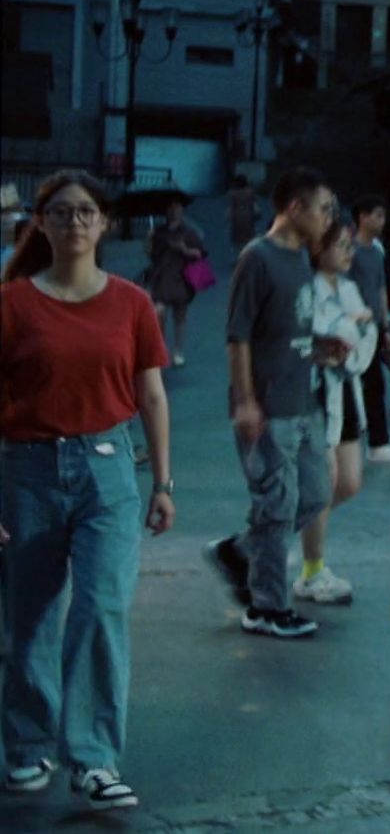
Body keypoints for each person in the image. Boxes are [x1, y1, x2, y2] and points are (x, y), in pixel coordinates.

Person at [1, 171, 175, 810]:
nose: (74, 222)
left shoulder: (131, 302)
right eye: (62, 212)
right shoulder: (13, 303)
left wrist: (163, 482)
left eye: (86, 213)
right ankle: (26, 746)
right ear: (40, 223)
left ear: (104, 224)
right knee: (31, 618)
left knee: (101, 607)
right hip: (27, 472)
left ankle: (94, 758)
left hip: (108, 470)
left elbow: (152, 395)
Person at [202, 167, 338, 640]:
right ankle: (267, 609)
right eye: (323, 208)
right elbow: (238, 336)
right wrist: (245, 402)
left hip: (304, 401)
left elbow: (287, 329)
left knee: (316, 494)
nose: (329, 218)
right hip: (269, 407)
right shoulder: (256, 259)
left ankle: (239, 551)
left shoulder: (301, 258)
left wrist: (320, 345)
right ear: (295, 208)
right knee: (277, 506)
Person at [294, 221, 378, 606]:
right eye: (341, 245)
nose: (349, 252)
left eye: (349, 245)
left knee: (349, 483)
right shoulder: (306, 288)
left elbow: (358, 347)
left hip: (346, 391)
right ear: (318, 250)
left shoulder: (348, 288)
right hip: (315, 395)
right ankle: (312, 571)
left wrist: (346, 335)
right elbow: (318, 338)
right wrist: (348, 327)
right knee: (323, 485)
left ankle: (262, 538)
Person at [350, 195, 390, 464]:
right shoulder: (348, 251)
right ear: (362, 217)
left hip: (375, 329)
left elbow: (381, 289)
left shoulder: (376, 252)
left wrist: (386, 326)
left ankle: (378, 444)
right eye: (377, 215)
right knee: (350, 387)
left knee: (375, 385)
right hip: (353, 330)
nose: (381, 221)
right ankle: (351, 442)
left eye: (383, 216)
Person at [144, 197, 205, 368]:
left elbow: (200, 254)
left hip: (181, 277)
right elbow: (150, 255)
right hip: (161, 276)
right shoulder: (158, 231)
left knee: (180, 315)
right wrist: (148, 240)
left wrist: (184, 249)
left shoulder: (189, 232)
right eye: (171, 207)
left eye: (177, 207)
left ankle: (178, 350)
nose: (174, 211)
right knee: (159, 313)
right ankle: (161, 348)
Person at [227, 174, 259, 254]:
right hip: (248, 216)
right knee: (248, 237)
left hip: (237, 216)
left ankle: (239, 256)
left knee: (237, 238)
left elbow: (231, 207)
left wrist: (229, 217)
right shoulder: (250, 192)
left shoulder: (233, 193)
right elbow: (254, 205)